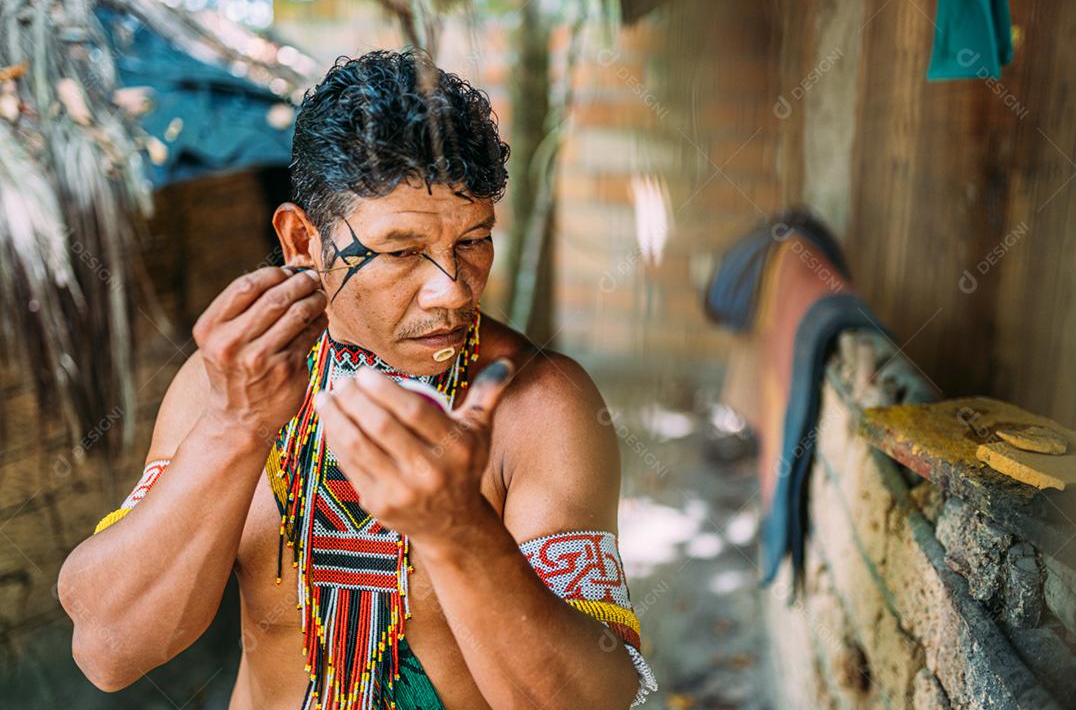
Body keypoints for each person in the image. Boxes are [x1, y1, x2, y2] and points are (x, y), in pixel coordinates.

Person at [58, 49, 657, 710]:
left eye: (473, 240)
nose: (450, 291)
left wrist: (459, 530)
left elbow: (601, 701)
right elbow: (108, 649)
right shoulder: (225, 389)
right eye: (401, 251)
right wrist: (234, 429)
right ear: (300, 241)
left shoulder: (541, 407)